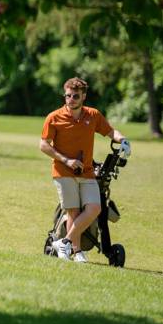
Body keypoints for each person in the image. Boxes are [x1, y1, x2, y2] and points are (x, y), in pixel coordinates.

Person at [39, 77, 131, 262]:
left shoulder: (93, 115)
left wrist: (123, 140)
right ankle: (77, 251)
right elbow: (43, 145)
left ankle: (64, 242)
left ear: (83, 97)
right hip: (63, 171)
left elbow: (110, 132)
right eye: (67, 95)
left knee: (95, 208)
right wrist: (66, 160)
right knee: (73, 211)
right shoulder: (54, 117)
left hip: (87, 172)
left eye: (75, 96)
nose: (70, 99)